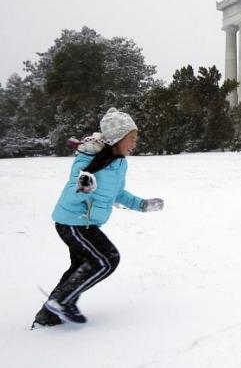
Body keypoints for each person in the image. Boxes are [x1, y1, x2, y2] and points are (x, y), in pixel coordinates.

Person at [32, 108, 164, 328]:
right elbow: (77, 181)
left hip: (86, 223)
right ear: (117, 138)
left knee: (82, 266)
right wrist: (85, 185)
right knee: (107, 259)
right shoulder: (88, 156)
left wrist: (142, 204)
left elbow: (118, 193)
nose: (134, 143)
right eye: (131, 138)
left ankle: (49, 315)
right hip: (73, 221)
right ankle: (61, 301)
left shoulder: (120, 163)